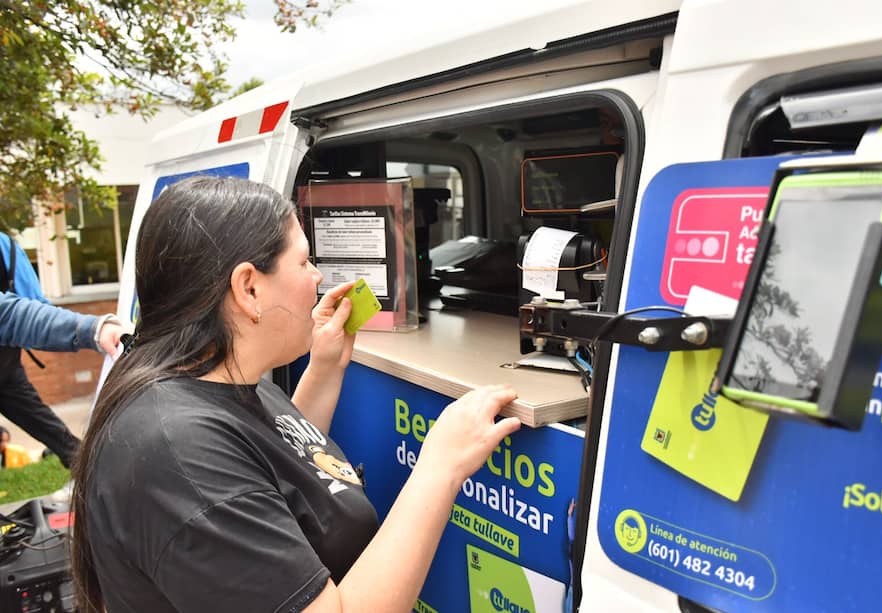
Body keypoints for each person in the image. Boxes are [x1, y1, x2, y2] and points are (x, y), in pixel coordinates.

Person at [71, 176, 521, 613]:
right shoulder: (180, 456)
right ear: (249, 288)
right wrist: (440, 467)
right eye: (304, 262)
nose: (317, 276)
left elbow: (276, 464)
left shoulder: (216, 384)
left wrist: (324, 367)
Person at [0, 238, 125, 470]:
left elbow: (21, 313)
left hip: (6, 369)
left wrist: (93, 330)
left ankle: (91, 469)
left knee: (56, 435)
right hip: (7, 366)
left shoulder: (6, 246)